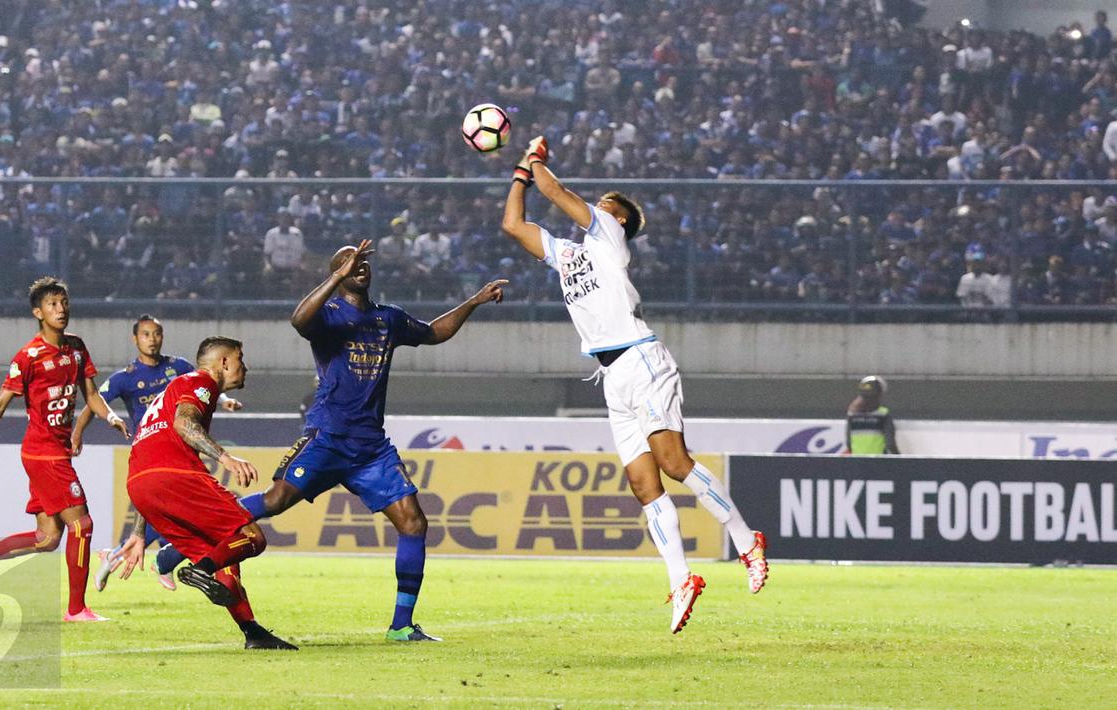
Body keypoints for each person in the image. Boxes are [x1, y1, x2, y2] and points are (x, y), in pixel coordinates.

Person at [161, 240, 507, 642]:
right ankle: (180, 548)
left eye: (362, 262)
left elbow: (432, 333)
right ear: (336, 272)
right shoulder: (326, 315)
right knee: (274, 501)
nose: (357, 266)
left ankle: (401, 626)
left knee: (413, 522)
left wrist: (474, 301)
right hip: (327, 436)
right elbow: (298, 321)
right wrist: (336, 276)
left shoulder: (387, 319)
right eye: (347, 262)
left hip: (370, 447)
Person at [500, 137, 768, 634]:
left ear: (618, 219)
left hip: (641, 359)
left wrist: (534, 160)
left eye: (605, 203)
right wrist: (520, 173)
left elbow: (556, 193)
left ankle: (746, 538)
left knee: (673, 463)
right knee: (643, 485)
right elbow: (513, 225)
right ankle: (682, 579)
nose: (597, 206)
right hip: (610, 374)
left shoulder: (608, 237)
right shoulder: (569, 255)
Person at [0, 277, 129, 622]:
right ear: (38, 312)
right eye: (52, 305)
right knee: (82, 525)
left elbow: (91, 394)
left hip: (57, 450)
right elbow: (0, 404)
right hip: (42, 453)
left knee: (47, 538)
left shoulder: (76, 347)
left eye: (63, 303)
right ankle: (76, 609)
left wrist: (110, 417)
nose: (60, 309)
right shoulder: (29, 356)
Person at [114, 336, 296, 650]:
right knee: (252, 537)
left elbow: (148, 459)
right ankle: (199, 570)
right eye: (241, 358)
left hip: (140, 483)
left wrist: (139, 531)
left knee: (224, 546)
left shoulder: (171, 391)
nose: (245, 366)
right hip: (175, 475)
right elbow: (184, 423)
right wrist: (226, 457)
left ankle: (252, 632)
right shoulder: (202, 382)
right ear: (224, 362)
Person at [69, 314, 242, 593]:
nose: (152, 339)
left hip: (178, 448)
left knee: (168, 515)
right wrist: (78, 432)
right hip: (153, 449)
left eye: (157, 334)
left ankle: (144, 557)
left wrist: (224, 400)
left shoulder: (179, 366)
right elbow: (94, 401)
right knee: (184, 513)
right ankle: (157, 559)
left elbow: (209, 381)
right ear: (135, 339)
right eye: (146, 334)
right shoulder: (125, 378)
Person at [846, 376, 900, 455]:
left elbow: (849, 443)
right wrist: (900, 458)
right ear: (879, 394)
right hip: (878, 462)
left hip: (857, 462)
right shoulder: (883, 415)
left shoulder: (852, 414)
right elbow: (890, 444)